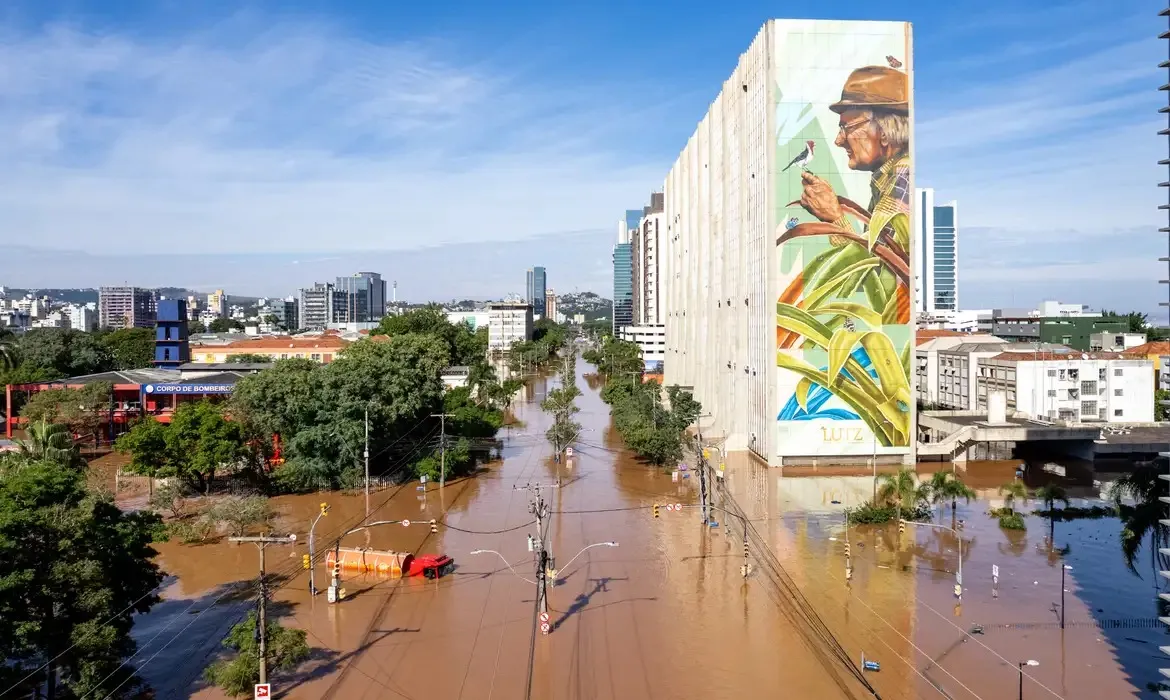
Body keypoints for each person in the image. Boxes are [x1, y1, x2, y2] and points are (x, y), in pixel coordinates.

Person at [798, 65, 910, 243]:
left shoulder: (903, 180)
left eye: (846, 128)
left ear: (883, 132)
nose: (839, 140)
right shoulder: (888, 180)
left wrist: (834, 217)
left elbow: (877, 269)